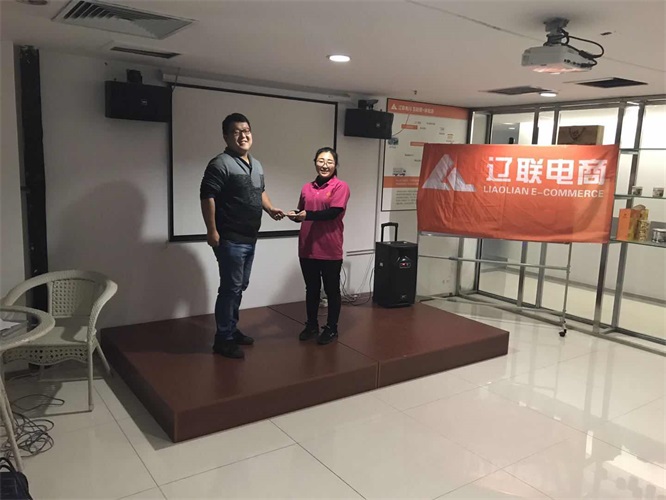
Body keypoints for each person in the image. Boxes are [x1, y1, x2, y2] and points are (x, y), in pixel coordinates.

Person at [200, 113, 284, 359]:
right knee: (230, 288)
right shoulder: (220, 164)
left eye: (246, 130)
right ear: (226, 137)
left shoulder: (256, 164)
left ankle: (231, 329)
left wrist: (270, 209)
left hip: (249, 237)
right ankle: (223, 339)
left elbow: (260, 191)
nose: (243, 135)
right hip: (229, 238)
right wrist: (211, 230)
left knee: (239, 286)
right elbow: (207, 196)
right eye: (236, 132)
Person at [287, 147, 350, 345]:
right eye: (321, 161)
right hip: (307, 246)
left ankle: (332, 328)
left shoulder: (340, 186)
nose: (325, 165)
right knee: (312, 289)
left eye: (329, 162)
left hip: (330, 247)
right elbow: (303, 211)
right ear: (315, 162)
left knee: (332, 290)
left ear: (335, 165)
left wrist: (307, 215)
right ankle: (311, 325)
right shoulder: (307, 187)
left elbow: (333, 213)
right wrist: (294, 215)